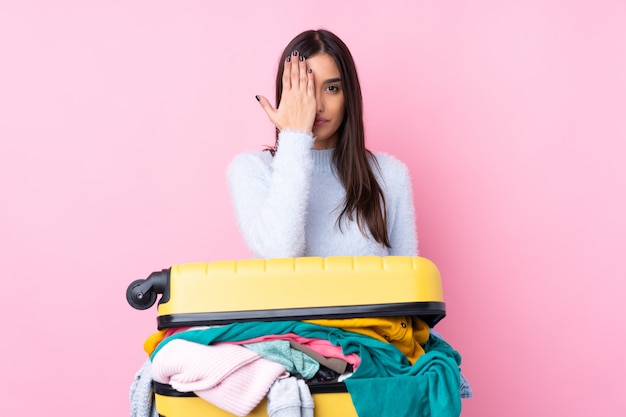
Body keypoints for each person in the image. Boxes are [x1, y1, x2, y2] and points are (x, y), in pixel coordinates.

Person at [228, 29, 418, 259]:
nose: (316, 105)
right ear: (287, 93)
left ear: (348, 96)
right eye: (303, 88)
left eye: (331, 88)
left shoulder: (390, 175)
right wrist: (295, 137)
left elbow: (409, 285)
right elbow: (278, 255)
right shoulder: (252, 170)